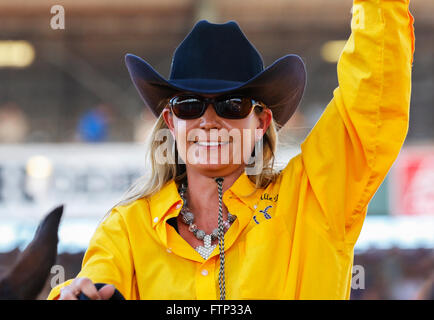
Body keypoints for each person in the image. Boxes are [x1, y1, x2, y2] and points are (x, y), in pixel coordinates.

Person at [48, 0, 414, 300]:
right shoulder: (127, 228)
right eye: (189, 105)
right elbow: (92, 283)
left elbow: (370, 105)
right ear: (171, 122)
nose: (208, 121)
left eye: (232, 105)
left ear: (262, 122)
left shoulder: (313, 201)